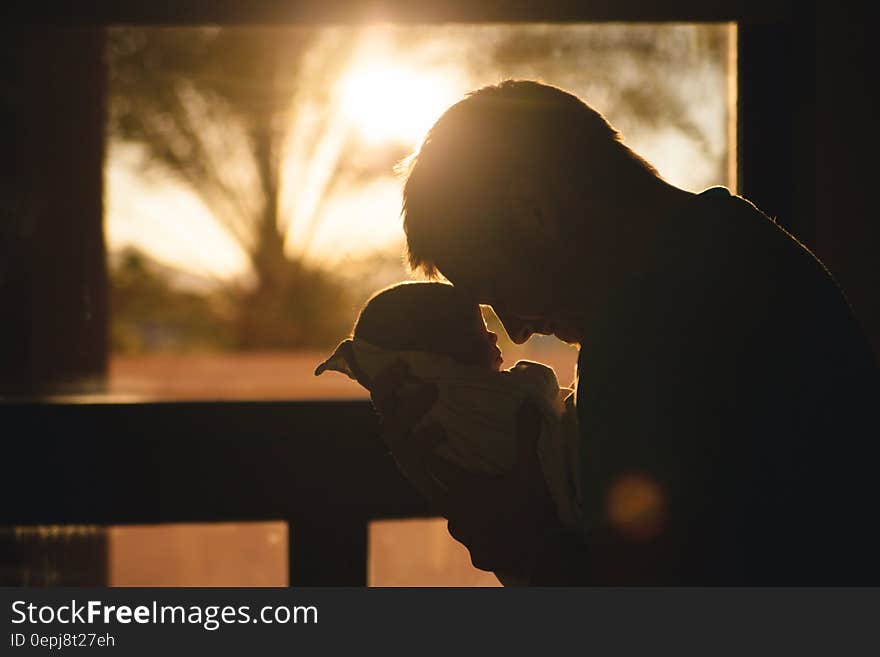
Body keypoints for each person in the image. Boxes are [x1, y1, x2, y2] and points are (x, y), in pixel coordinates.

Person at [372, 80, 880, 584]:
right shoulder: (742, 249)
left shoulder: (646, 332)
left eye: (496, 287)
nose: (516, 331)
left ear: (535, 213)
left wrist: (515, 539)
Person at [314, 281, 582, 584]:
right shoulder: (473, 405)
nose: (501, 333)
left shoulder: (424, 421)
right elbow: (540, 393)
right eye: (479, 333)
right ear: (441, 360)